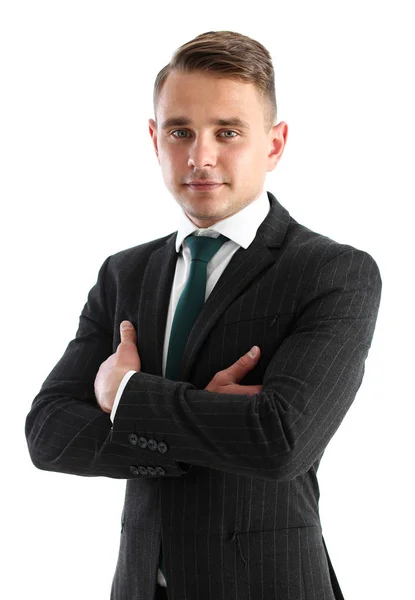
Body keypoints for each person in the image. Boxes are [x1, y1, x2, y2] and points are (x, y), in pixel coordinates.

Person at [25, 30, 382, 600]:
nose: (200, 156)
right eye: (180, 131)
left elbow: (281, 440)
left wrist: (129, 396)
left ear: (274, 143)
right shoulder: (124, 273)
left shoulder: (332, 272)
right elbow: (47, 433)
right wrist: (203, 424)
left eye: (228, 132)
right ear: (154, 138)